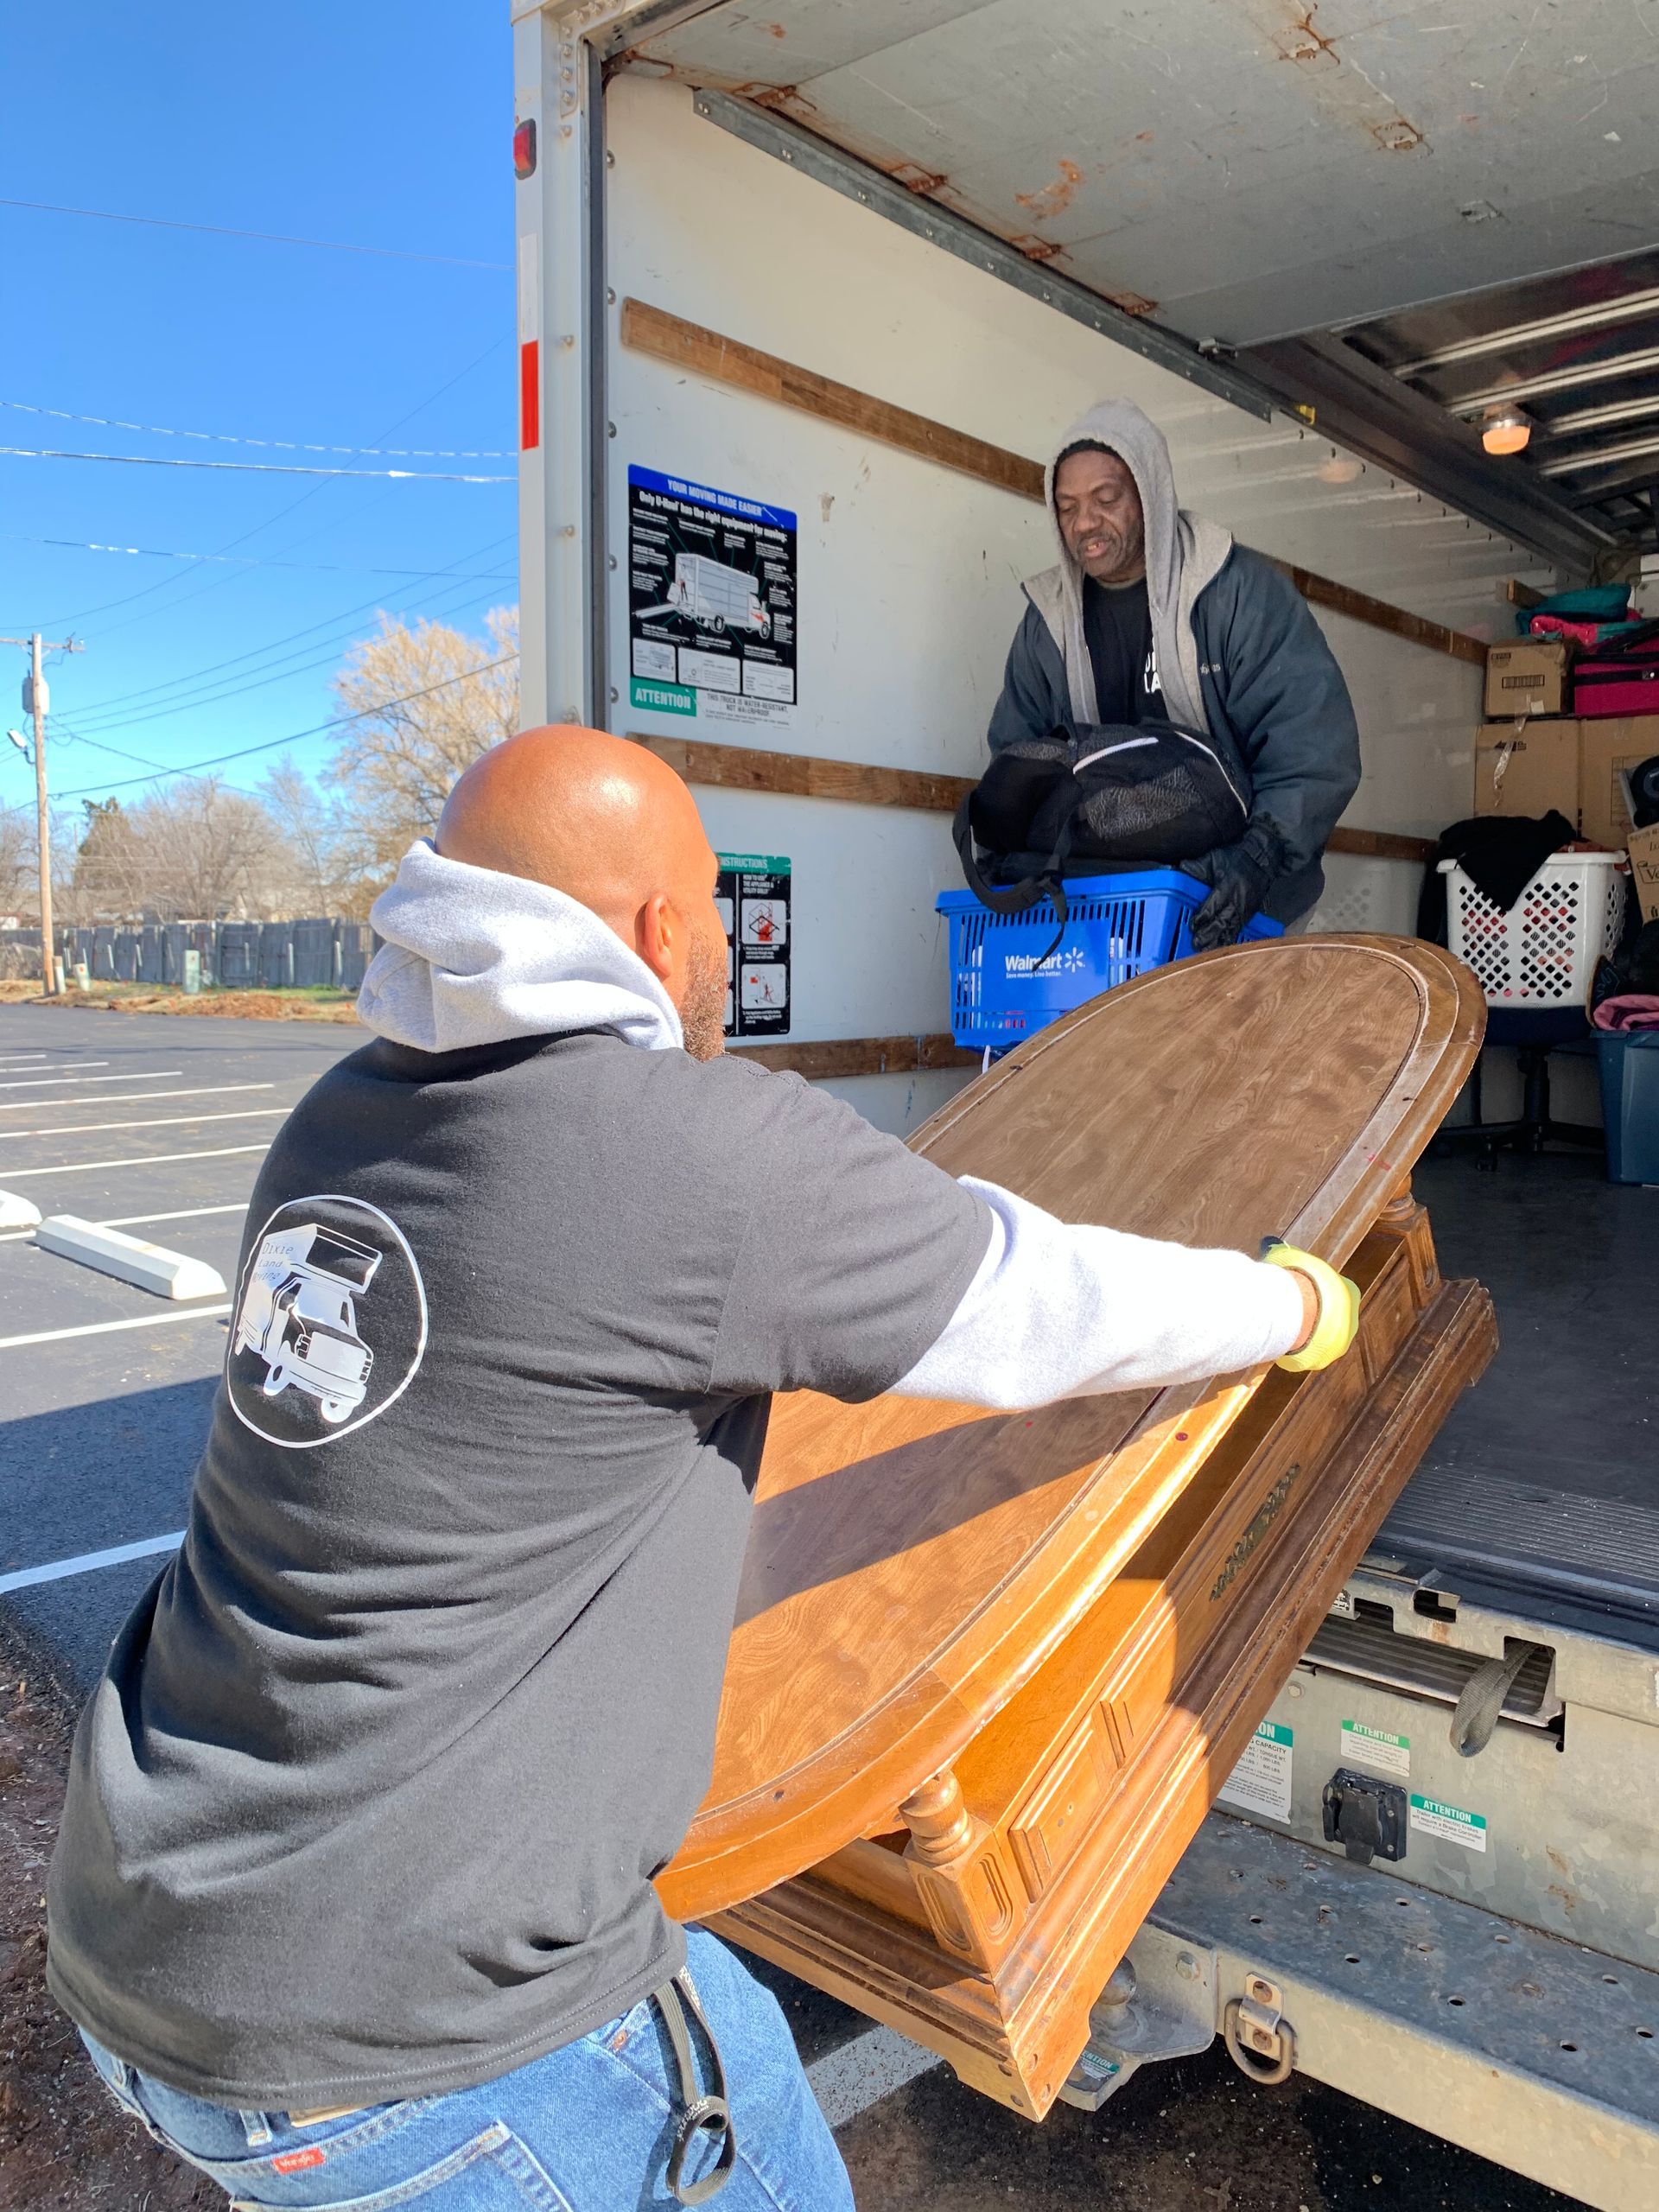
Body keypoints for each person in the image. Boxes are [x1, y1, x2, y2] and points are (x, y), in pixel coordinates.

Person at [48, 728, 1354, 2211]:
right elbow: (1034, 1304)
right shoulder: (689, 1151)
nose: (726, 953)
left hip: (153, 1932)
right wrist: (1293, 1303)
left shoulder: (337, 1119)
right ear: (663, 931)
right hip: (420, 2027)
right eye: (718, 918)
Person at [988, 399, 1363, 946]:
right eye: (1067, 507)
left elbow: (1312, 746)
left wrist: (1258, 857)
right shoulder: (1047, 623)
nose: (1085, 522)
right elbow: (1015, 759)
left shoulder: (1235, 593)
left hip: (1240, 893)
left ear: (1150, 496)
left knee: (1235, 1034)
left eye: (1106, 499)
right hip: (1111, 906)